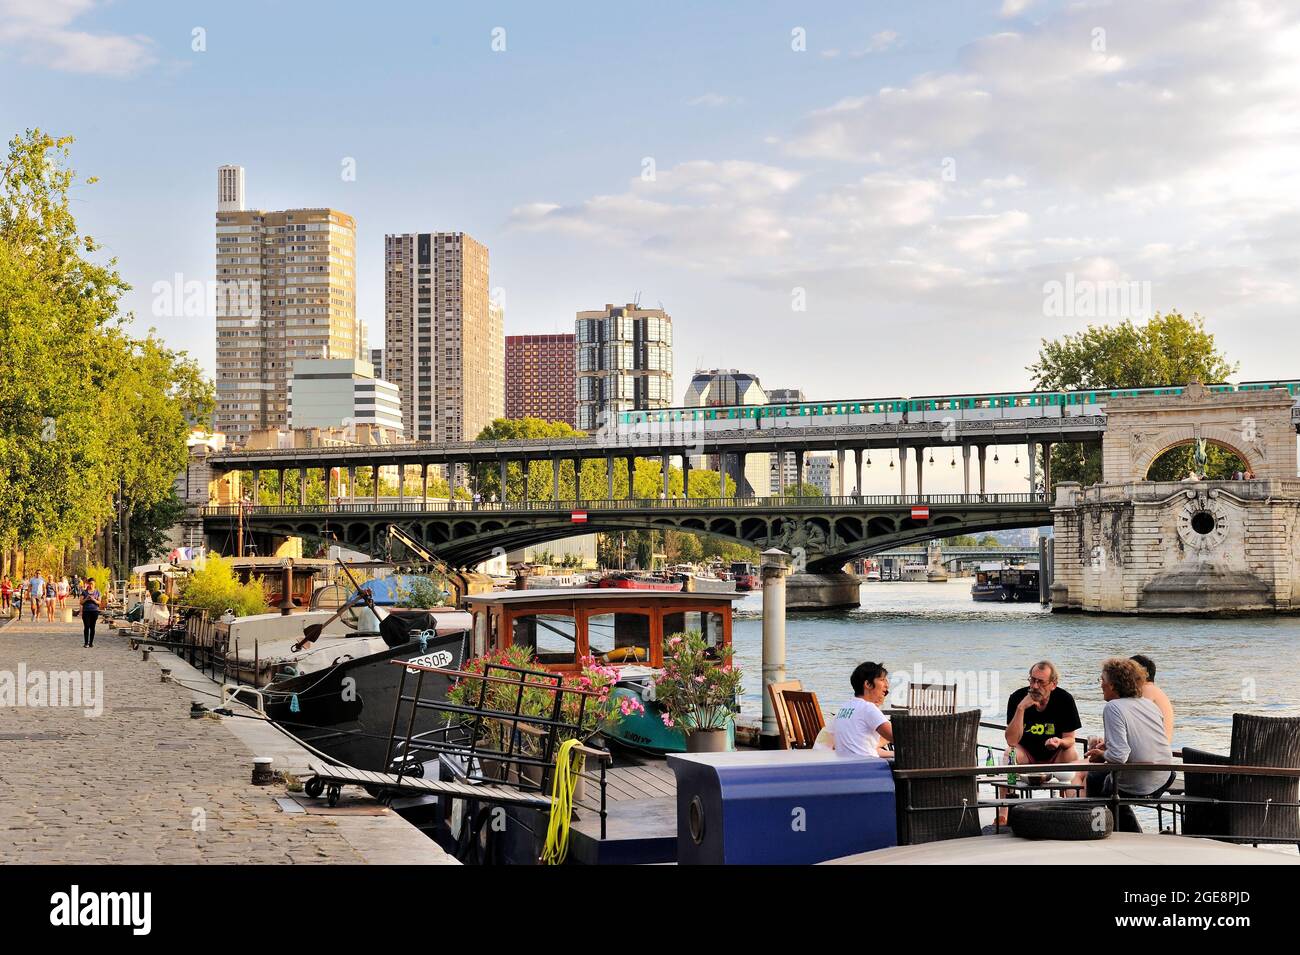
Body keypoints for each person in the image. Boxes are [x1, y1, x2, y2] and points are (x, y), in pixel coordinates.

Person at [1085, 658, 1175, 822]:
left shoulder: (1113, 707)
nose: (1100, 685)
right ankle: (1129, 829)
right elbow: (1143, 738)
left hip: (1140, 782)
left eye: (1102, 680)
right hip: (1165, 776)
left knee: (1095, 779)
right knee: (1107, 781)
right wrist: (1107, 747)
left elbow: (1119, 756)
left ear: (1112, 685)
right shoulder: (1149, 705)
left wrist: (1101, 754)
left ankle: (1096, 826)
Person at [832, 661, 893, 758]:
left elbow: (860, 746)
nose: (887, 685)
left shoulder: (844, 708)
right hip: (868, 766)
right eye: (882, 680)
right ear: (868, 684)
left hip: (845, 764)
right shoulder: (868, 708)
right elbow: (898, 737)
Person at [1130, 654, 1174, 744]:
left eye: (1126, 672)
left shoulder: (1145, 691)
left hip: (1150, 752)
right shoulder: (1157, 691)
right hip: (1159, 751)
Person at [81, 580, 102, 648]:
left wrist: (93, 599)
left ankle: (91, 643)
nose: (91, 585)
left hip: (94, 611)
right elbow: (81, 602)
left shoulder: (97, 592)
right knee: (86, 626)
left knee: (92, 627)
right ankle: (86, 642)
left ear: (94, 584)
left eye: (92, 584)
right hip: (86, 611)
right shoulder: (84, 592)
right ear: (88, 584)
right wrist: (86, 598)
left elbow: (99, 602)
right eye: (90, 584)